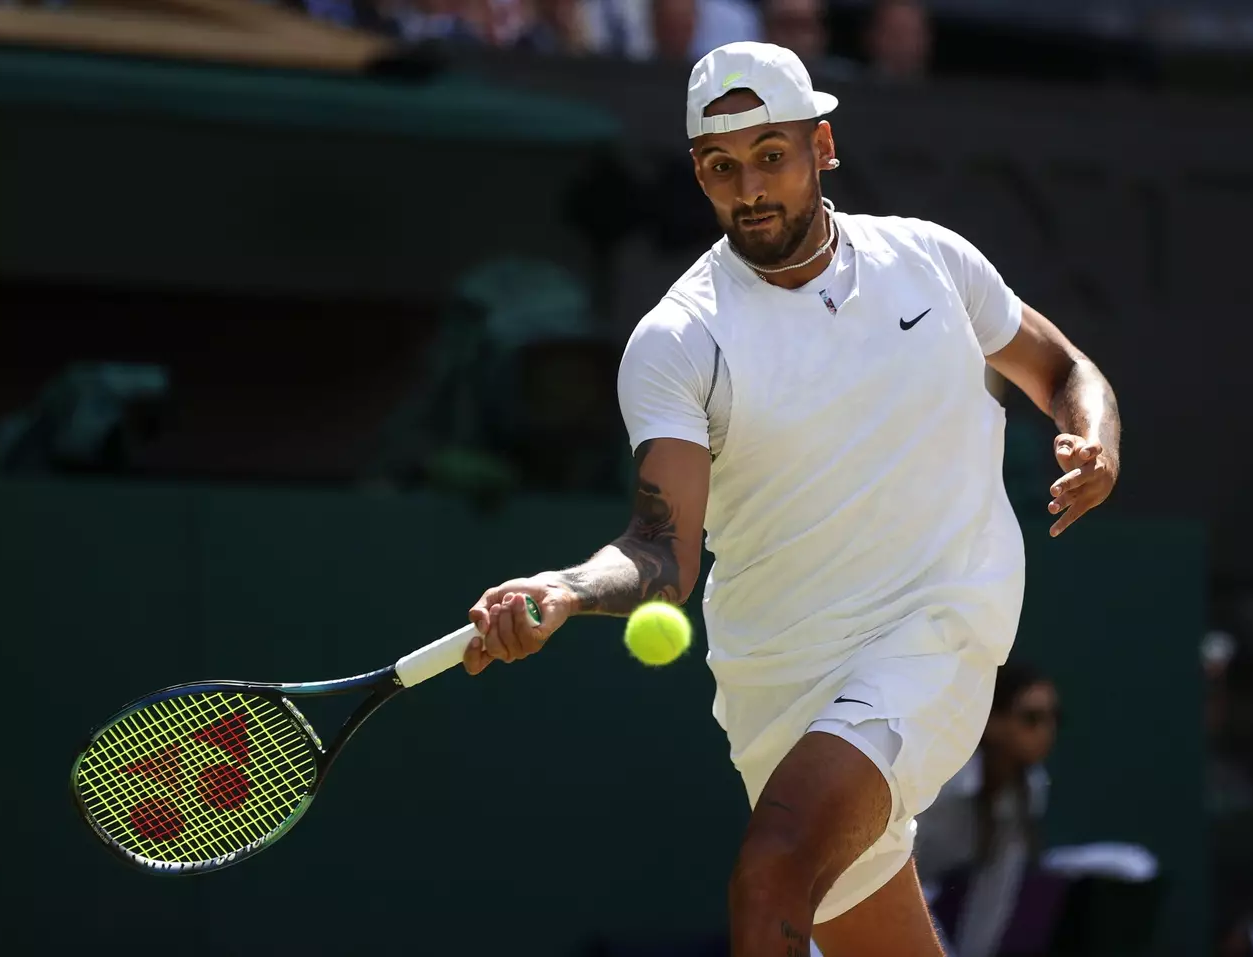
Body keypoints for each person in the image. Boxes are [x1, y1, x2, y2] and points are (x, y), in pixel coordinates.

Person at [462, 41, 1121, 957]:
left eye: (772, 154)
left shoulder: (932, 263)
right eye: (722, 167)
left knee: (771, 867)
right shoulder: (679, 340)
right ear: (699, 174)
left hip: (935, 621)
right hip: (775, 679)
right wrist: (572, 588)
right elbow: (663, 553)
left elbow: (1063, 369)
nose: (751, 187)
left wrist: (1096, 441)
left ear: (823, 146)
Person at [914, 662, 1060, 957]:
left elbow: (994, 894)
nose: (1046, 731)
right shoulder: (944, 774)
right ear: (991, 721)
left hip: (913, 902)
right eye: (1032, 718)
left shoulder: (1029, 790)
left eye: (1054, 718)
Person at [865, 0, 932, 82]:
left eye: (912, 34)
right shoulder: (853, 88)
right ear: (874, 37)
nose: (905, 44)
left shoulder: (942, 90)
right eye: (895, 33)